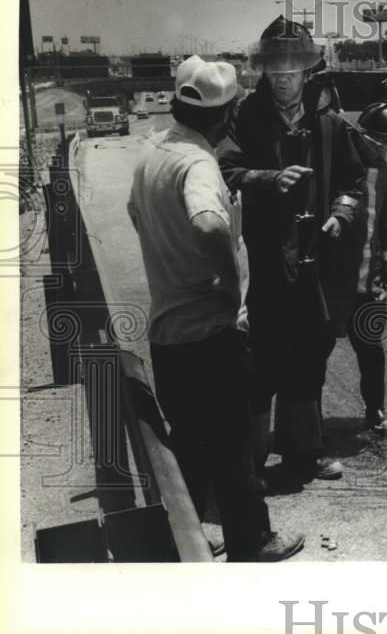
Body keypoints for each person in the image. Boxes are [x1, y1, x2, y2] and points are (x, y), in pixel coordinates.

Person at [126, 55, 303, 561]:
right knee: (231, 439)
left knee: (191, 438)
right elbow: (207, 222)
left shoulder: (154, 150)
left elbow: (134, 212)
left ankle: (194, 533)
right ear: (225, 116)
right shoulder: (199, 162)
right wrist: (229, 283)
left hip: (168, 330)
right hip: (210, 330)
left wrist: (170, 259)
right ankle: (253, 540)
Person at [217, 17, 367, 484]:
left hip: (311, 265)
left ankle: (304, 454)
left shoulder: (330, 123)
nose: (283, 78)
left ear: (307, 72)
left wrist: (340, 214)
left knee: (308, 357)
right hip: (259, 264)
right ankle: (253, 462)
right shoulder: (243, 118)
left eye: (292, 69)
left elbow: (356, 182)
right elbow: (222, 171)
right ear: (263, 72)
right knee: (259, 360)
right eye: (275, 70)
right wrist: (266, 179)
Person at [346, 101, 387, 433]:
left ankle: (374, 409)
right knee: (313, 353)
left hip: (368, 280)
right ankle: (307, 424)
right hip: (334, 276)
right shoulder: (344, 162)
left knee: (371, 349)